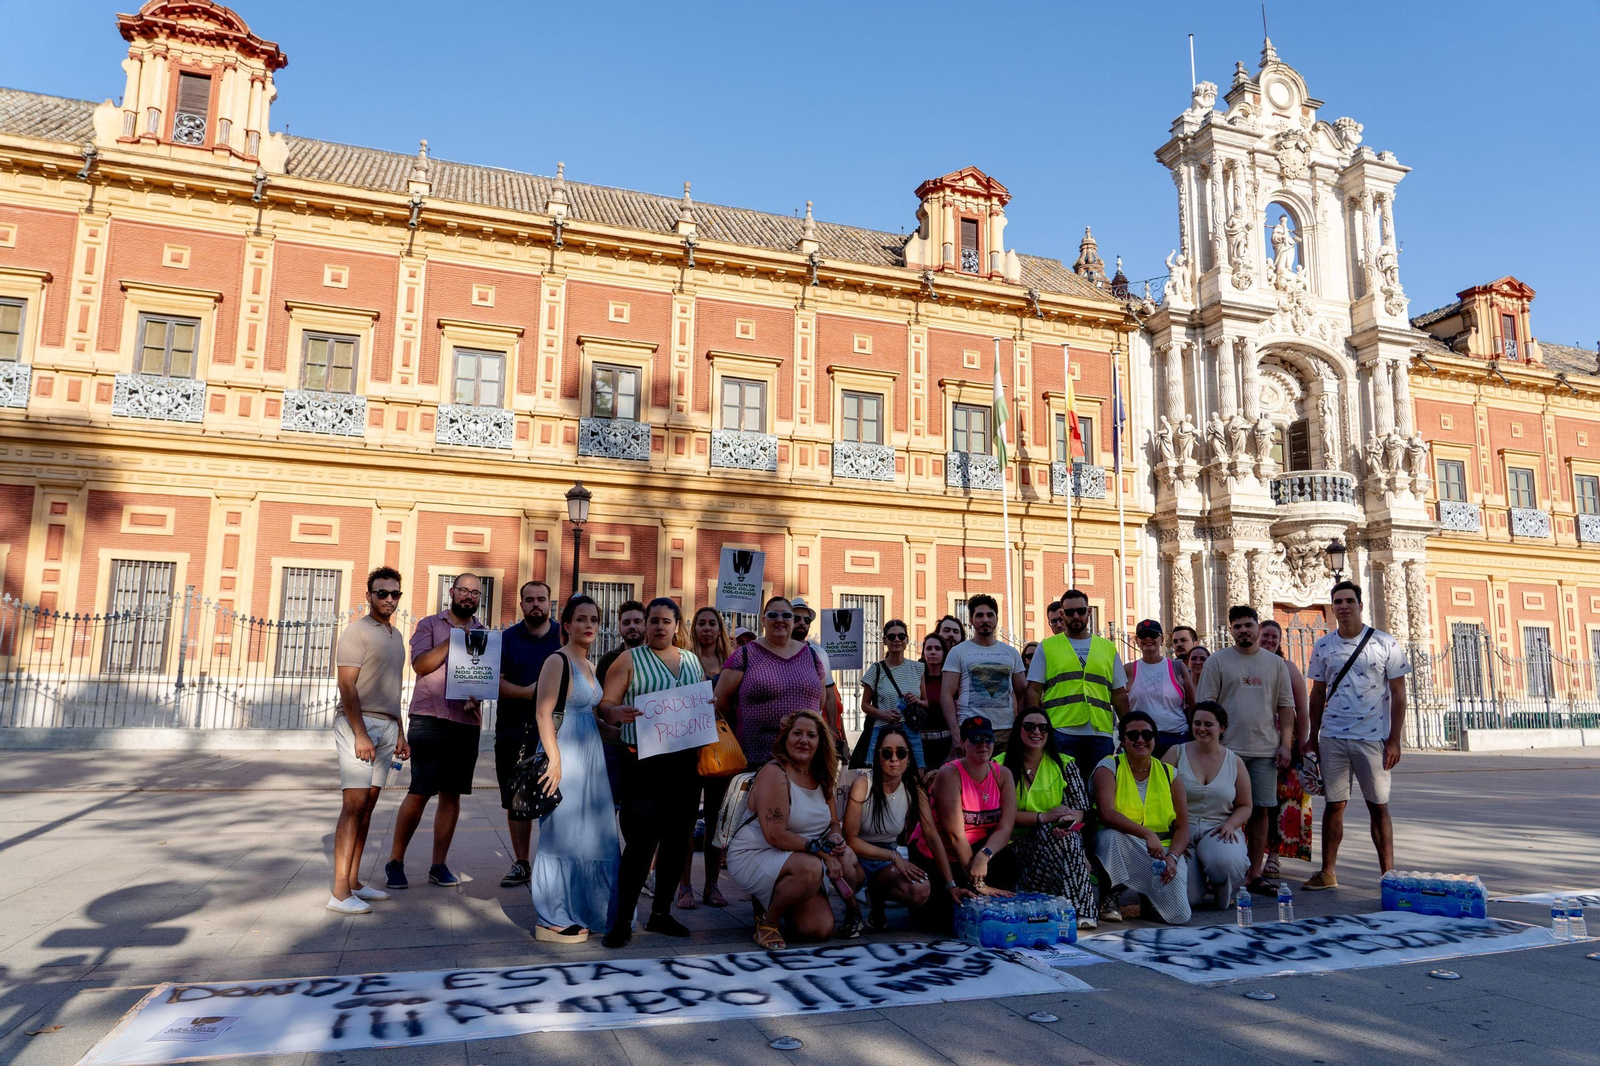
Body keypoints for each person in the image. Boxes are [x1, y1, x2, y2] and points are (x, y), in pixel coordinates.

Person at [598, 597, 706, 947]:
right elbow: (606, 704)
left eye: (666, 621)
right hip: (643, 762)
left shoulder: (691, 661)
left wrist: (709, 705)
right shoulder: (629, 659)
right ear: (645, 625)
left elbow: (698, 704)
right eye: (653, 620)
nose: (659, 626)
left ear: (677, 626)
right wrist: (618, 712)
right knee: (641, 843)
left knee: (677, 841)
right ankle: (622, 921)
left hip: (684, 763)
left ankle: (661, 914)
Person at [1302, 581, 1411, 891]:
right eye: (1338, 601)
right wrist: (1312, 736)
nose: (1344, 606)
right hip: (1333, 736)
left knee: (1378, 805)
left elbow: (1399, 694)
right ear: (1332, 607)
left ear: (1361, 605)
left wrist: (1394, 738)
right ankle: (1328, 872)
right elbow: (1317, 693)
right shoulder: (1323, 646)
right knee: (1334, 804)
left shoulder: (1385, 643)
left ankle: (1388, 875)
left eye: (1349, 600)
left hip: (1373, 737)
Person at [726, 710, 863, 948]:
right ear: (786, 737)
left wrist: (835, 840)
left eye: (811, 735)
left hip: (802, 855)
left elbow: (833, 822)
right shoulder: (775, 773)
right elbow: (775, 835)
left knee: (819, 928)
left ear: (820, 743)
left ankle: (782, 899)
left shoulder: (822, 775)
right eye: (797, 733)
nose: (803, 740)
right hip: (759, 852)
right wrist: (823, 854)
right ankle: (768, 923)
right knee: (810, 868)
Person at [528, 594, 620, 943]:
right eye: (581, 619)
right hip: (563, 753)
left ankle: (593, 910)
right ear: (566, 625)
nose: (589, 625)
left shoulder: (589, 664)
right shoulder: (557, 660)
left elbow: (589, 715)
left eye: (594, 619)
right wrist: (554, 760)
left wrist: (623, 730)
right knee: (562, 834)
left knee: (594, 835)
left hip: (591, 757)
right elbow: (543, 712)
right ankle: (552, 917)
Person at [386, 574, 485, 890]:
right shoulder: (429, 625)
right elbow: (421, 665)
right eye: (463, 590)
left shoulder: (484, 633)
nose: (468, 596)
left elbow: (483, 676)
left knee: (452, 795)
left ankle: (438, 865)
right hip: (429, 717)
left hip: (466, 721)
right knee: (420, 790)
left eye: (475, 592)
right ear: (452, 592)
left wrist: (477, 694)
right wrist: (453, 640)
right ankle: (395, 862)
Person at [1195, 605, 1294, 895]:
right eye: (1237, 626)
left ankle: (1254, 874)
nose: (1243, 630)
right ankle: (1217, 870)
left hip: (1264, 749)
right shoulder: (1217, 661)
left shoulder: (1275, 664)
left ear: (1257, 628)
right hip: (1226, 750)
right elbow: (1205, 706)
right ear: (1230, 630)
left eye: (1248, 625)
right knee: (1222, 809)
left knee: (1261, 810)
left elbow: (1286, 707)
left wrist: (1286, 744)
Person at [327, 566, 408, 914]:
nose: (389, 599)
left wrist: (400, 731)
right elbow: (347, 685)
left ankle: (354, 882)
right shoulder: (356, 631)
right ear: (369, 596)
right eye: (382, 593)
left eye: (394, 593)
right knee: (354, 803)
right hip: (358, 725)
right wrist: (360, 733)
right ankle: (339, 892)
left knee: (369, 804)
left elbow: (393, 688)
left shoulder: (396, 635)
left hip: (388, 725)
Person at [992, 709, 1098, 928]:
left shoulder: (1064, 763)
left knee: (1067, 838)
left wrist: (1066, 820)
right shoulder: (998, 765)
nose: (1037, 732)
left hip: (1055, 840)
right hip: (1011, 847)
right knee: (1066, 844)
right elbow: (999, 814)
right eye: (1029, 726)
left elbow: (1081, 809)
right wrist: (1044, 818)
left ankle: (1080, 911)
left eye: (1043, 727)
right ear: (1018, 730)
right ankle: (1078, 909)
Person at [911, 716, 1017, 931]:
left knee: (1009, 862)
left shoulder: (1003, 774)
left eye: (988, 739)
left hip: (976, 850)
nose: (983, 744)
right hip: (940, 853)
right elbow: (955, 835)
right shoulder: (950, 773)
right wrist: (979, 884)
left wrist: (985, 855)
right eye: (975, 739)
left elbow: (1005, 828)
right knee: (943, 922)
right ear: (963, 743)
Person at [843, 725, 952, 931]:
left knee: (921, 890)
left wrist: (951, 884)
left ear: (908, 757)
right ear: (878, 756)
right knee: (845, 863)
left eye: (901, 753)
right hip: (857, 855)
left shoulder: (914, 788)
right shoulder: (863, 784)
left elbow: (931, 835)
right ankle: (852, 910)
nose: (894, 759)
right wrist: (893, 856)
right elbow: (851, 839)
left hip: (886, 858)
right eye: (887, 753)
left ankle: (877, 897)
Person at [1092, 710, 1192, 925]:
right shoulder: (1109, 766)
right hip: (1124, 840)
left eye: (1147, 735)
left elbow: (1183, 826)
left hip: (1161, 849)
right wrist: (1146, 834)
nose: (1140, 740)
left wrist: (1173, 857)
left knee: (1180, 916)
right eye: (1133, 735)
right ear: (1122, 739)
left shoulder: (1170, 773)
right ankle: (1110, 895)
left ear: (1154, 738)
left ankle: (1149, 898)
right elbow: (1106, 813)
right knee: (1111, 838)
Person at [493, 580, 562, 888]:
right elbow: (493, 682)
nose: (536, 604)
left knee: (557, 797)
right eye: (530, 599)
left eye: (541, 599)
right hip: (513, 730)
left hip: (557, 732)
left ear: (550, 604)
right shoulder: (506, 639)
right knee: (516, 798)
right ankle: (522, 863)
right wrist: (528, 693)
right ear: (521, 605)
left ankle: (555, 863)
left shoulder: (563, 636)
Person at [1025, 589, 1129, 790]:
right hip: (1060, 730)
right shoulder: (1047, 647)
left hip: (1100, 733)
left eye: (1080, 611)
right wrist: (1033, 727)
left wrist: (1127, 731)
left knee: (1099, 792)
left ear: (1089, 611)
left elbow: (1119, 695)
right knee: (1064, 792)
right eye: (1069, 612)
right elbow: (1033, 691)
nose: (1076, 616)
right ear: (1062, 614)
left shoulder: (1108, 648)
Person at [714, 596, 828, 771]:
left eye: (787, 616)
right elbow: (721, 701)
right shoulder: (744, 655)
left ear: (792, 620)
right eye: (773, 615)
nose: (780, 620)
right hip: (759, 758)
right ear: (763, 621)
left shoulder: (812, 656)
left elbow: (820, 701)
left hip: (806, 759)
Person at [1163, 701, 1252, 912]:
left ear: (1221, 728)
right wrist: (1173, 835)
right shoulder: (1176, 753)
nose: (1201, 728)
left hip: (1218, 830)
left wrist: (1231, 825)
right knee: (1189, 900)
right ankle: (1198, 881)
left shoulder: (1235, 761)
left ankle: (1221, 883)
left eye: (1208, 724)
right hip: (1182, 830)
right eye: (1197, 723)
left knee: (1225, 862)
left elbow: (1245, 805)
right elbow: (1157, 794)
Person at [679, 606, 733, 910]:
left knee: (716, 820)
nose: (707, 628)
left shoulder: (731, 663)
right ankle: (684, 886)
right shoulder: (684, 661)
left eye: (713, 623)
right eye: (701, 623)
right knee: (686, 820)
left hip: (722, 751)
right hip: (689, 749)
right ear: (694, 628)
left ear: (720, 629)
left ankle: (712, 885)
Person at [1259, 619, 1312, 873]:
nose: (1269, 640)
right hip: (1255, 738)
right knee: (1253, 800)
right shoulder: (1248, 664)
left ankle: (1274, 855)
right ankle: (1251, 854)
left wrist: (1303, 744)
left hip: (1285, 741)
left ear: (1280, 641)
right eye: (1265, 635)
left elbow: (1302, 708)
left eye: (1274, 637)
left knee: (1281, 800)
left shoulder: (1288, 668)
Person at [941, 594, 1025, 751]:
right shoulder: (958, 652)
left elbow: (1022, 693)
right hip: (971, 729)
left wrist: (1020, 725)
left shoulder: (1011, 653)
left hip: (1006, 731)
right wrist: (955, 732)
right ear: (971, 620)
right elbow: (946, 694)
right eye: (979, 615)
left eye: (990, 615)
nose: (985, 620)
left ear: (996, 619)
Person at [856, 619, 928, 768]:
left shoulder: (918, 668)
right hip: (883, 729)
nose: (897, 640)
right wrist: (883, 714)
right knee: (881, 772)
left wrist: (917, 701)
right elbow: (864, 705)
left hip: (911, 729)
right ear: (884, 641)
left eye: (901, 636)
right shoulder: (876, 669)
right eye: (891, 636)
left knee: (918, 770)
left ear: (907, 640)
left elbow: (926, 702)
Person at [595, 600, 647, 803]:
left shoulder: (657, 658)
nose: (632, 626)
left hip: (647, 744)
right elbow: (598, 702)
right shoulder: (608, 660)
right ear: (619, 628)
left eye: (637, 621)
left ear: (646, 624)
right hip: (613, 744)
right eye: (626, 622)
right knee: (610, 802)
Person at [1127, 619, 1194, 757]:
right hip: (1143, 739)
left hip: (1176, 737)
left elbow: (1192, 702)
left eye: (1153, 635)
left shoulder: (1177, 667)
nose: (1148, 639)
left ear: (1162, 639)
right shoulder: (1128, 670)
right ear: (1137, 641)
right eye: (1143, 635)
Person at [789, 599, 841, 746]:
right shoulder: (775, 651)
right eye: (797, 618)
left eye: (806, 620)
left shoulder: (819, 653)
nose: (802, 623)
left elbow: (830, 697)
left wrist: (831, 733)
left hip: (811, 730)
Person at [918, 633, 955, 768]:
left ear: (944, 653)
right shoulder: (916, 678)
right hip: (919, 745)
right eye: (929, 648)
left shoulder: (952, 679)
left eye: (937, 648)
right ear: (923, 653)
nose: (933, 652)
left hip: (946, 744)